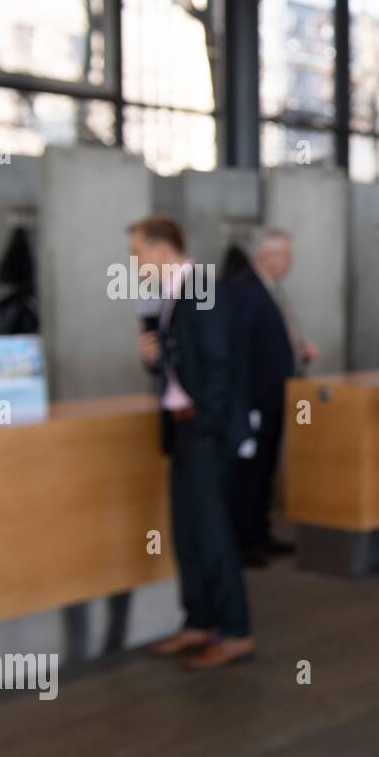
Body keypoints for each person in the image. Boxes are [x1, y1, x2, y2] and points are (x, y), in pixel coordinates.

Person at [132, 214, 255, 669]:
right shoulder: (169, 296)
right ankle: (198, 621)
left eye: (137, 254)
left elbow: (219, 364)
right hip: (181, 428)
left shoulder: (202, 288)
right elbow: (187, 362)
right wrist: (153, 361)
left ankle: (236, 630)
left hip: (204, 430)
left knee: (212, 533)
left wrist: (207, 425)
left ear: (162, 250)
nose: (134, 264)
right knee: (187, 531)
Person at [228, 228, 299, 565]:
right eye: (283, 255)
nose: (289, 262)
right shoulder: (245, 290)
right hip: (255, 399)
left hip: (272, 397)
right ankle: (243, 541)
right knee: (249, 473)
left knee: (265, 469)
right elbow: (240, 352)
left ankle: (260, 532)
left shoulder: (270, 290)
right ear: (265, 256)